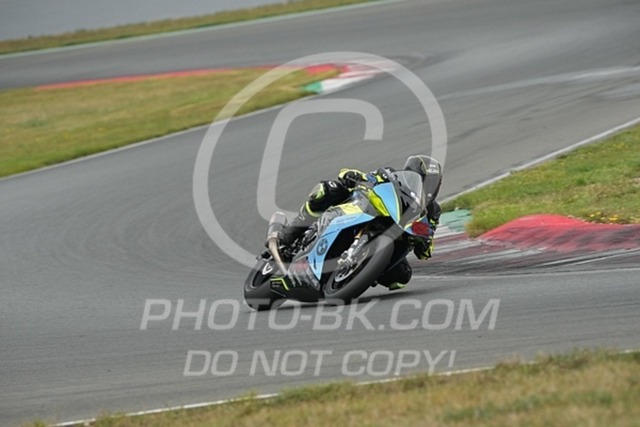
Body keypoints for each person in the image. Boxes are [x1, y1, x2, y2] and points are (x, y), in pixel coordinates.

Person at [278, 155, 442, 290]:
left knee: (402, 277)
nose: (428, 186)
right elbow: (367, 177)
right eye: (425, 180)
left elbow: (428, 244)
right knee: (327, 190)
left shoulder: (432, 212)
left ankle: (362, 272)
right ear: (411, 172)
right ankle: (290, 234)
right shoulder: (390, 175)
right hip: (366, 209)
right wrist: (354, 176)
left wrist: (425, 243)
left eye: (432, 183)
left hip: (395, 236)